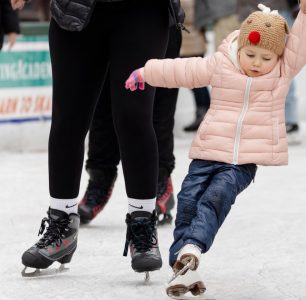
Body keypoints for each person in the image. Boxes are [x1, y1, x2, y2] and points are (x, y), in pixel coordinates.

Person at [125, 1, 306, 296]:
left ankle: (192, 248)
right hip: (207, 153)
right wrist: (146, 72)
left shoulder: (281, 72)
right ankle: (183, 262)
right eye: (251, 54)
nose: (257, 63)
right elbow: (183, 69)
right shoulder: (221, 64)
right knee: (188, 202)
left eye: (266, 58)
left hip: (241, 163)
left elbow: (302, 43)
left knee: (215, 199)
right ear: (239, 48)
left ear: (278, 57)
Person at [13, 0, 171, 278]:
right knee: (68, 119)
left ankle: (142, 224)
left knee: (133, 116)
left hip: (141, 14)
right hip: (76, 10)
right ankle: (61, 225)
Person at [78, 2, 185, 226]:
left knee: (155, 108)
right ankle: (100, 178)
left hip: (156, 17)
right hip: (107, 18)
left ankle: (160, 179)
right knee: (104, 105)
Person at [237, 0, 301, 145]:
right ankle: (259, 123)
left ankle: (290, 121)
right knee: (251, 68)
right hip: (250, 14)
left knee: (282, 67)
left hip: (276, 12)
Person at [179, 0, 211, 132]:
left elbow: (188, 16)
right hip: (191, 40)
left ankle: (204, 114)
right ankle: (204, 113)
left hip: (191, 41)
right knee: (195, 80)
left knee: (196, 81)